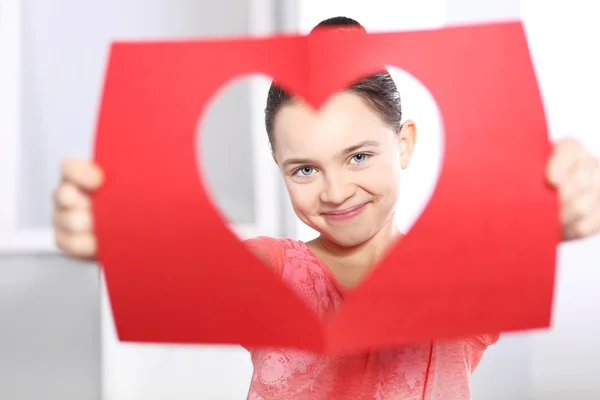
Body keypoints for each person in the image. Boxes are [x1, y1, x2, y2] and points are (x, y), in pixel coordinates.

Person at [52, 17, 600, 400]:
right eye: (305, 169)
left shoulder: (459, 273)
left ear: (404, 143)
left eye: (358, 156)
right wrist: (120, 234)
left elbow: (521, 236)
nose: (335, 192)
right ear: (279, 166)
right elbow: (184, 267)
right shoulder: (271, 269)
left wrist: (564, 203)